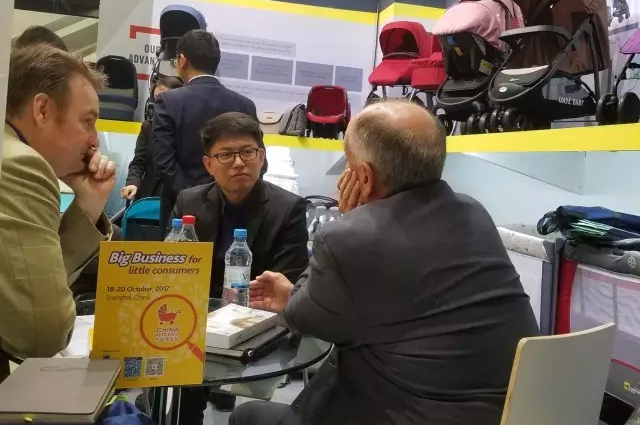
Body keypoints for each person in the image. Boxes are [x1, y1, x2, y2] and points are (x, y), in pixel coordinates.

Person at [230, 99, 540, 425]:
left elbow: (303, 318)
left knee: (247, 416)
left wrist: (350, 219)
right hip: (508, 414)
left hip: (404, 413)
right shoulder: (475, 213)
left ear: (363, 178)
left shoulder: (350, 237)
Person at [168, 112, 308, 422]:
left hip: (256, 321)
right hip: (195, 317)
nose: (238, 162)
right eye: (226, 155)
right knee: (178, 380)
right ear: (209, 164)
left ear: (261, 157)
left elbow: (288, 281)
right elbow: (174, 269)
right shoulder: (189, 202)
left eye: (247, 152)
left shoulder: (288, 209)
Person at [0, 45, 116, 380]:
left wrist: (88, 204)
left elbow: (27, 295)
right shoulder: (20, 164)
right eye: (87, 122)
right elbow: (42, 332)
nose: (94, 141)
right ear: (42, 110)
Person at [153, 29, 267, 232]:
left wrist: (192, 200)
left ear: (182, 60)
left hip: (183, 214)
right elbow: (260, 162)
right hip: (238, 212)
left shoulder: (168, 102)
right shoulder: (244, 104)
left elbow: (164, 162)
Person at [121, 76, 183, 201]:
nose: (159, 104)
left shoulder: (188, 128)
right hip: (149, 195)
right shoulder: (148, 127)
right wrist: (133, 183)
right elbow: (138, 162)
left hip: (179, 197)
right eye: (156, 99)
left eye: (164, 99)